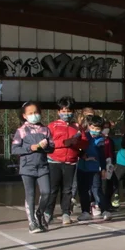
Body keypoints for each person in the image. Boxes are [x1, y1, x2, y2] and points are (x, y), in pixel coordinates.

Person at [11, 102, 55, 234]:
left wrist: (45, 146)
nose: (34, 115)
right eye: (30, 113)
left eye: (36, 112)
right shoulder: (21, 131)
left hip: (42, 166)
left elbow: (52, 147)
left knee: (47, 192)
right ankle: (32, 222)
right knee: (30, 195)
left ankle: (39, 213)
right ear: (24, 116)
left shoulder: (45, 130)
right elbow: (15, 149)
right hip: (27, 167)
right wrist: (31, 147)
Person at [46, 96, 82, 226]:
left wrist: (78, 143)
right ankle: (48, 213)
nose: (66, 114)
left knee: (67, 189)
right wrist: (64, 142)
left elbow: (83, 143)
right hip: (54, 161)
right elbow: (48, 143)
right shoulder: (52, 126)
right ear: (58, 112)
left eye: (69, 111)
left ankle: (66, 212)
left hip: (70, 162)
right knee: (52, 189)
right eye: (63, 111)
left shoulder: (76, 127)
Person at [76, 115, 113, 222]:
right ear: (88, 126)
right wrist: (82, 155)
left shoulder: (101, 139)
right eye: (92, 128)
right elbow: (77, 149)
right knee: (83, 190)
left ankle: (105, 210)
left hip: (94, 168)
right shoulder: (83, 136)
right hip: (82, 168)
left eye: (97, 129)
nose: (95, 131)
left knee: (97, 189)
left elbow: (102, 155)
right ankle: (85, 212)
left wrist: (103, 168)